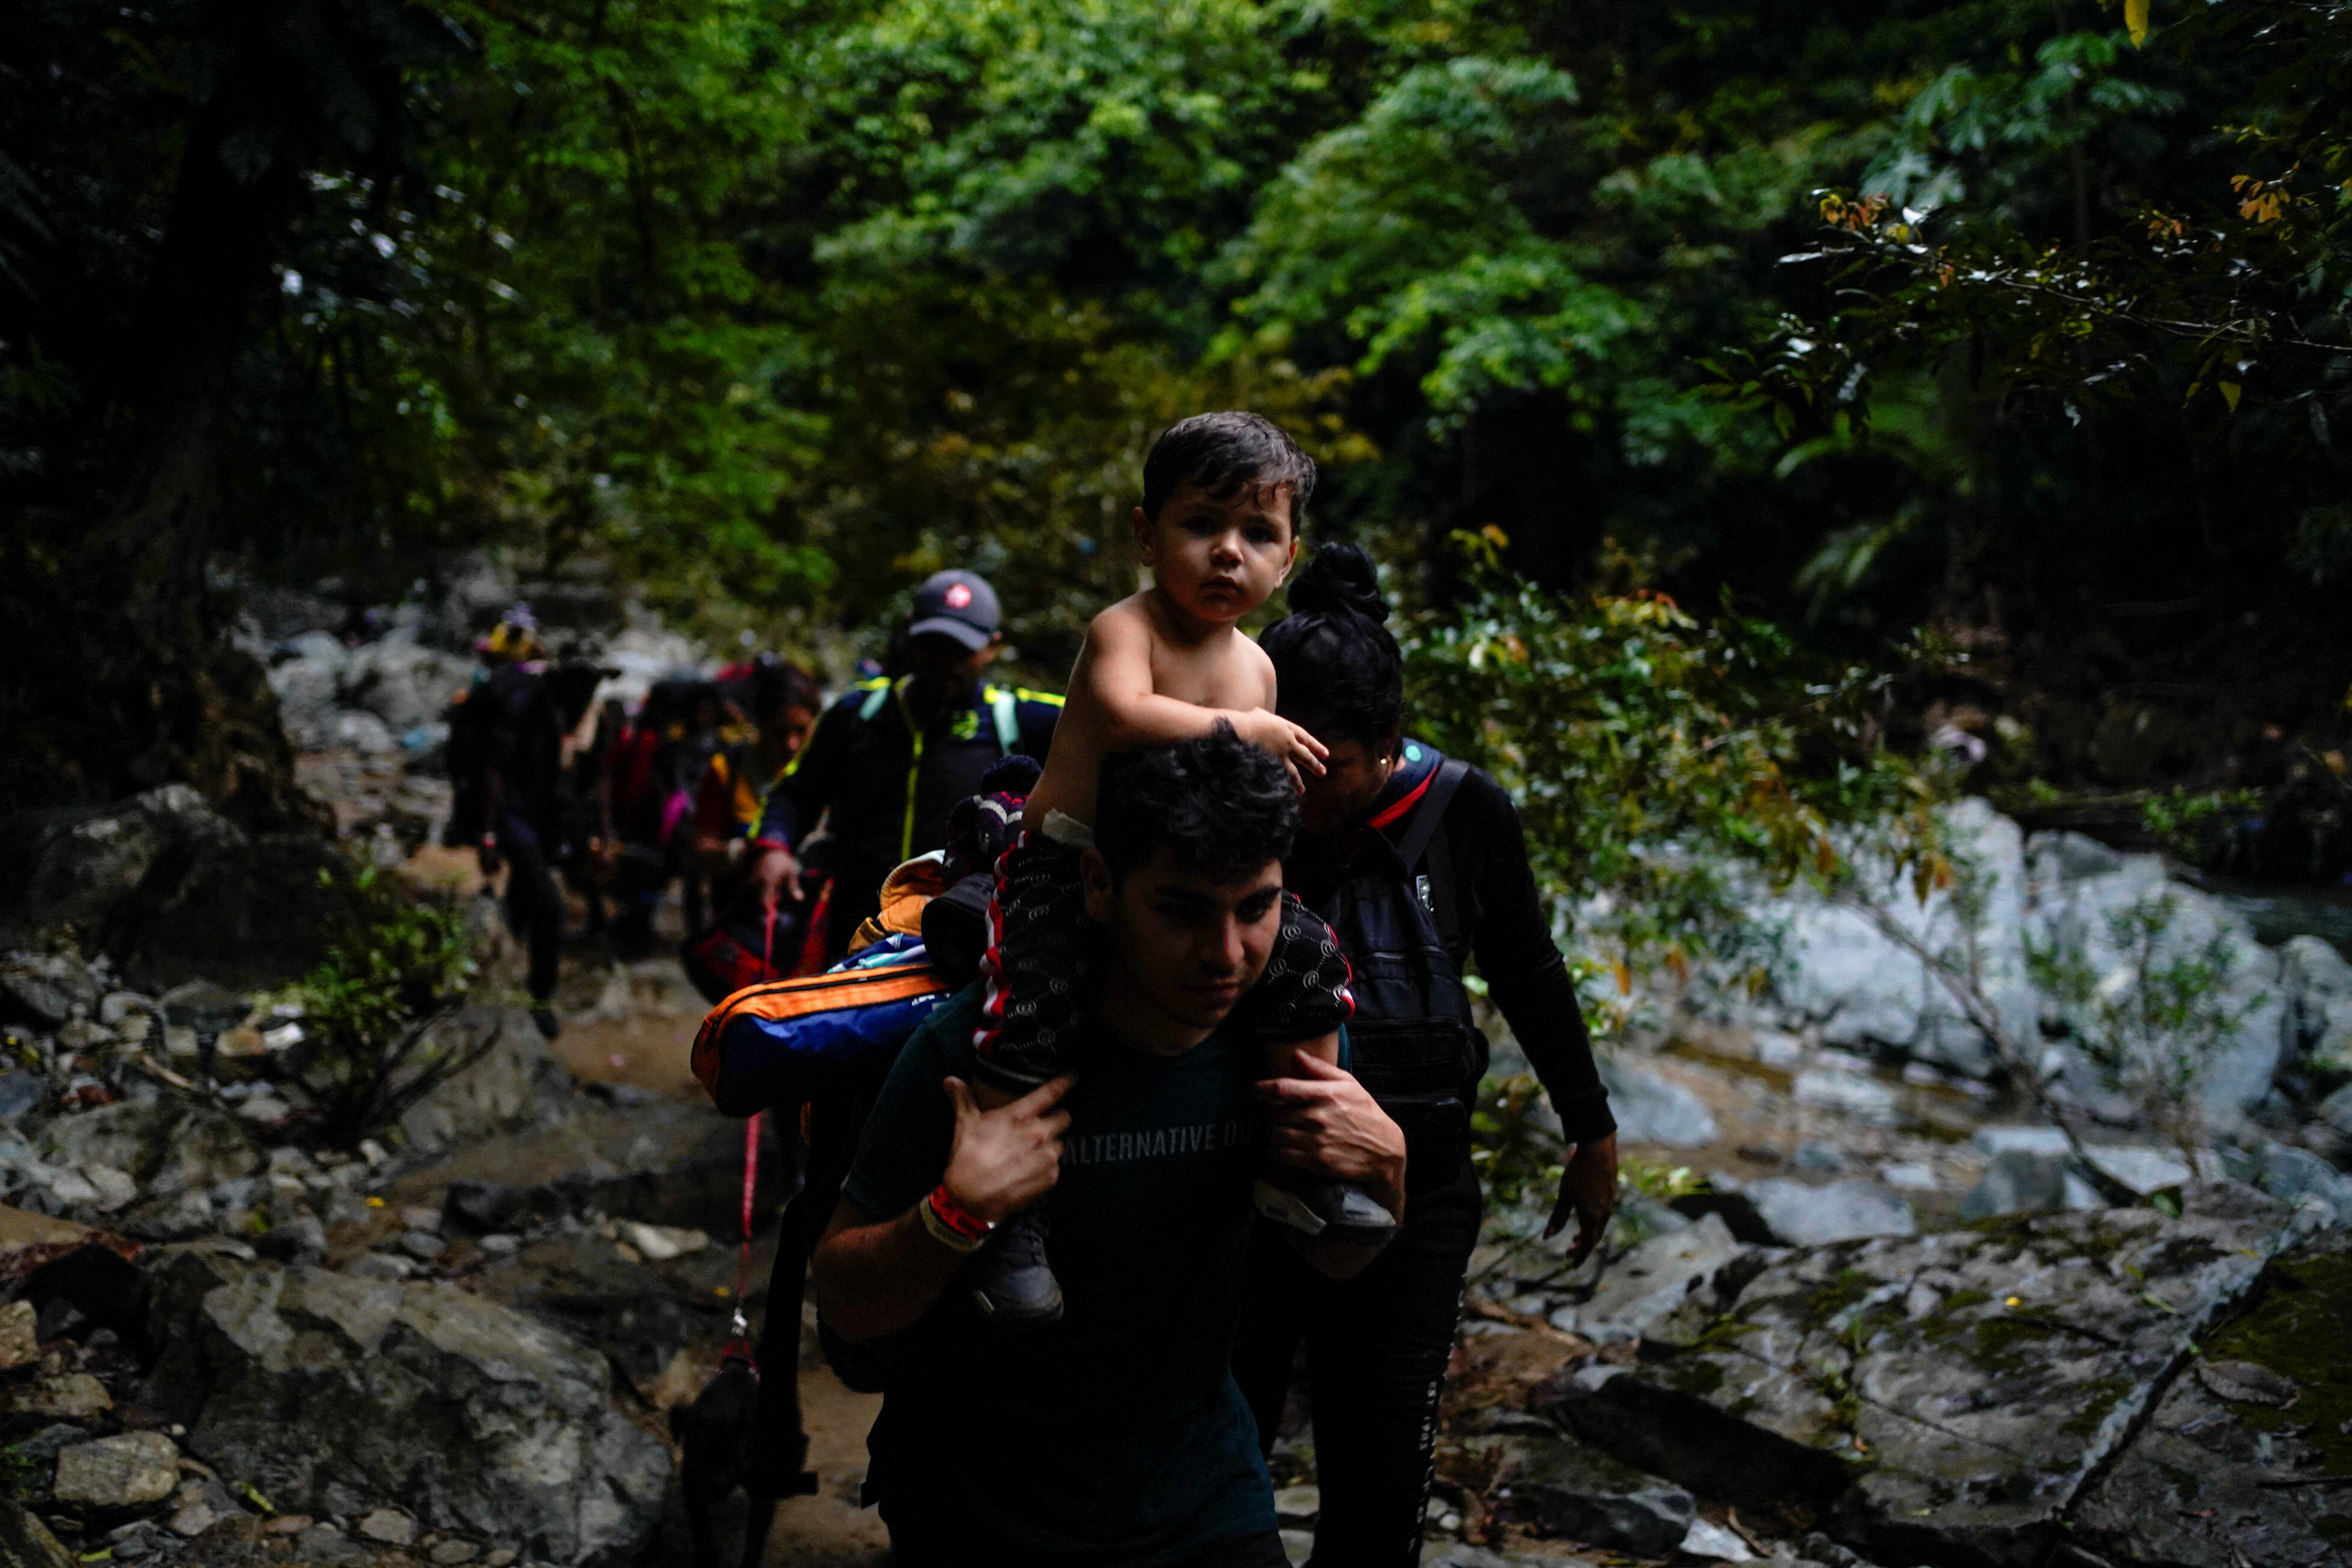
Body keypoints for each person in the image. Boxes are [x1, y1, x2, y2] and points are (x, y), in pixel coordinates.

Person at [812, 730, 1408, 1568]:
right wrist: (955, 1214)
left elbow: (1334, 1261)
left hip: (1197, 1483)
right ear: (1098, 884)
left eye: (1255, 908)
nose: (1226, 955)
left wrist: (1388, 1178)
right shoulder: (978, 1056)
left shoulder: (1287, 1041)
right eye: (1182, 910)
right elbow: (842, 1303)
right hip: (979, 1500)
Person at [1231, 543, 1620, 1567]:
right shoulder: (1240, 796)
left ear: (1389, 741)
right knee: (1220, 1456)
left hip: (1418, 1194)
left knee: (1380, 1480)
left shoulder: (1463, 810)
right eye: (1290, 759)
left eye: (1333, 768)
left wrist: (1590, 1127)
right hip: (1237, 1186)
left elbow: (1528, 968)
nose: (1305, 792)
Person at [967, 411, 1388, 1329]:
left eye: (1257, 534)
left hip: (1191, 884)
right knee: (1033, 1003)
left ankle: (1299, 1162)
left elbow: (1255, 810)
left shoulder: (1254, 669)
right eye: (1202, 525)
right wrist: (1251, 732)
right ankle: (1010, 1214)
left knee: (1310, 962)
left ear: (1288, 556)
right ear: (1145, 533)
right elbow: (1123, 716)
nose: (1227, 554)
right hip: (1066, 859)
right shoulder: (1127, 629)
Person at [751, 569, 1062, 959]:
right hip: (853, 936)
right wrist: (774, 849)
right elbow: (795, 795)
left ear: (992, 647)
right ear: (911, 635)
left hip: (962, 945)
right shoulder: (859, 715)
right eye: (935, 645)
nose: (945, 662)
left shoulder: (1021, 720)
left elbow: (1105, 723)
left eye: (960, 650)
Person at [692, 656, 822, 906]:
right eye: (780, 733)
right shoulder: (727, 769)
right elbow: (701, 851)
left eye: (802, 730)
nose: (791, 744)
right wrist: (742, 852)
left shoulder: (827, 770)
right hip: (742, 913)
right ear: (760, 724)